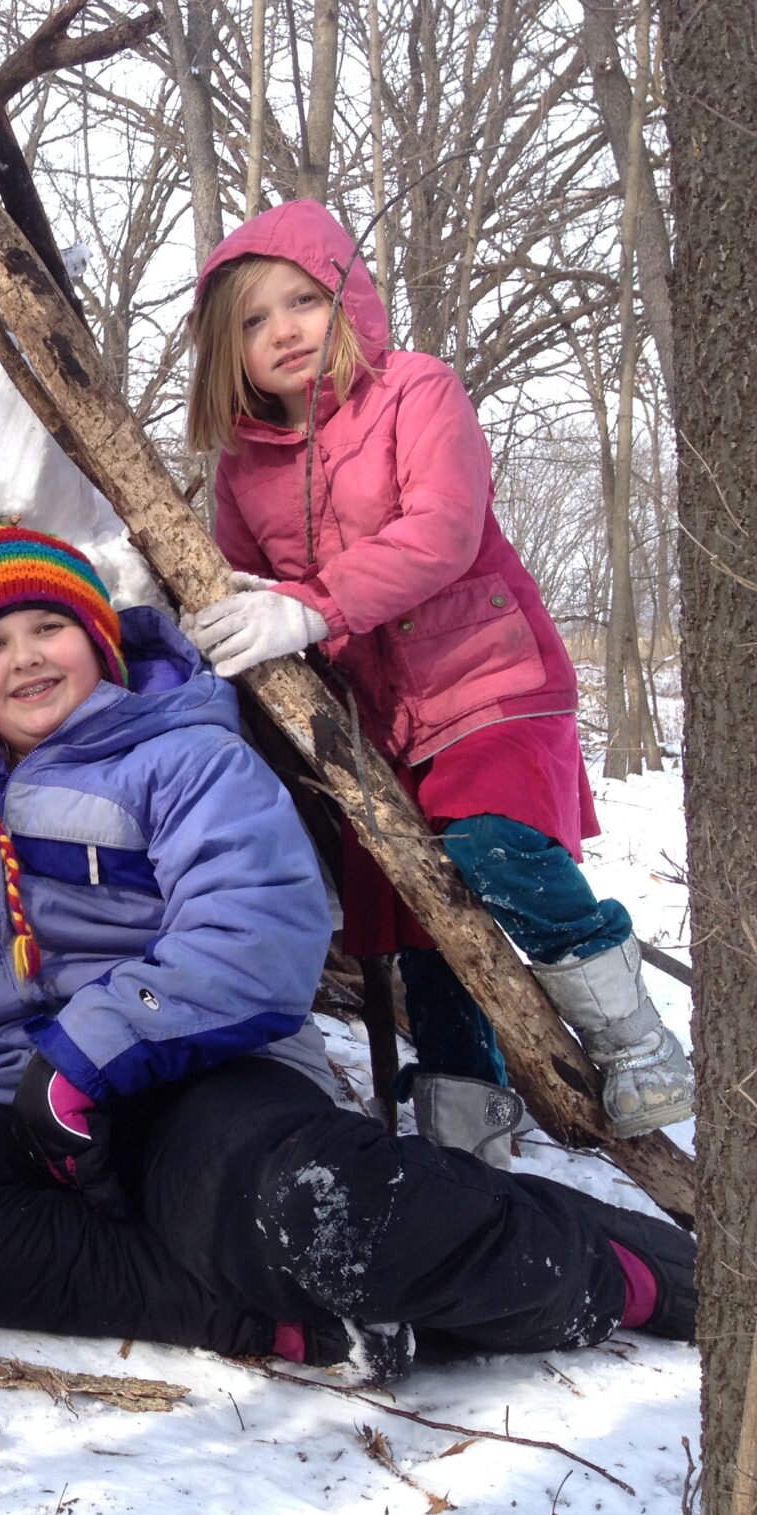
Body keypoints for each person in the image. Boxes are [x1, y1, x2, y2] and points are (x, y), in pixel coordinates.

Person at [0, 525, 694, 1379]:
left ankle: (610, 1264)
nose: (26, 657)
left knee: (312, 1209)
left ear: (100, 643)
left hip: (197, 1085)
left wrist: (90, 1054)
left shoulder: (183, 754)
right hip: (4, 1095)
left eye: (50, 627)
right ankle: (263, 1318)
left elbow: (256, 931)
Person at [177, 199, 692, 1158]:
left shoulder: (416, 390)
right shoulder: (242, 470)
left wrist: (313, 606)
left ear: (350, 302)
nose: (284, 330)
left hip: (486, 681)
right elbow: (250, 593)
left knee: (492, 848)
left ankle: (635, 1038)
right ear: (225, 347)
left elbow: (442, 532)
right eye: (253, 318)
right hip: (379, 730)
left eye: (304, 300)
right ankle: (467, 1141)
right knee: (427, 930)